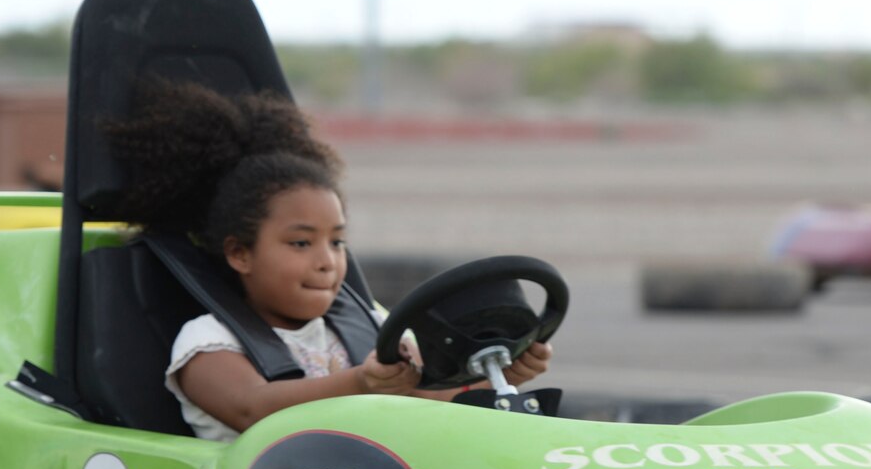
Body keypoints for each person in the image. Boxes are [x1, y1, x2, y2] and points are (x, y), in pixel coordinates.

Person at [102, 78, 552, 442]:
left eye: (336, 243)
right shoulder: (207, 342)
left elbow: (424, 398)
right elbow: (251, 407)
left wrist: (494, 372)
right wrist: (360, 384)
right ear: (240, 253)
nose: (327, 262)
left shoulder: (371, 323)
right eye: (301, 244)